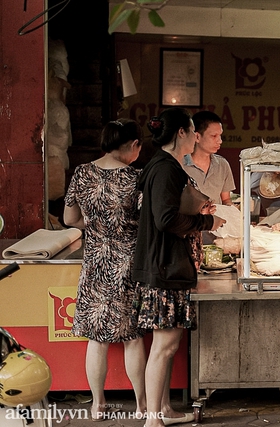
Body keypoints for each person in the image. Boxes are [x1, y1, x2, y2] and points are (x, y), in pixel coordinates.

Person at [132, 107, 224, 427]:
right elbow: (166, 218)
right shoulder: (165, 168)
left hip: (167, 266)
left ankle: (165, 409)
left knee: (168, 346)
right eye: (192, 130)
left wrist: (198, 205)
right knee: (164, 345)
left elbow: (169, 207)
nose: (197, 137)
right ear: (181, 134)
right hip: (163, 268)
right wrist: (206, 220)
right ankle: (152, 420)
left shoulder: (165, 166)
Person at [63, 119, 146, 421]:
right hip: (127, 263)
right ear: (134, 146)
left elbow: (70, 218)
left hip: (95, 262)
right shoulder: (137, 177)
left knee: (96, 339)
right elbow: (149, 222)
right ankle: (142, 407)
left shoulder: (83, 172)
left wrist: (97, 228)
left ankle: (98, 405)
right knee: (132, 338)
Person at [182, 111, 236, 206]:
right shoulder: (180, 164)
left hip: (216, 220)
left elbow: (226, 199)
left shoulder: (222, 164)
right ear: (197, 137)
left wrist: (232, 212)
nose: (220, 141)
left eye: (220, 135)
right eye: (214, 136)